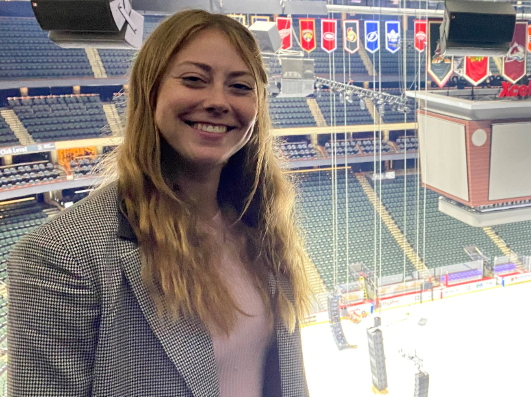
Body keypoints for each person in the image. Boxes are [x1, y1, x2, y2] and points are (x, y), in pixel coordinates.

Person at [7, 10, 313, 397]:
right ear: (149, 91)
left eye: (240, 86)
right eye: (193, 80)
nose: (218, 101)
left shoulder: (262, 226)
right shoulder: (59, 258)